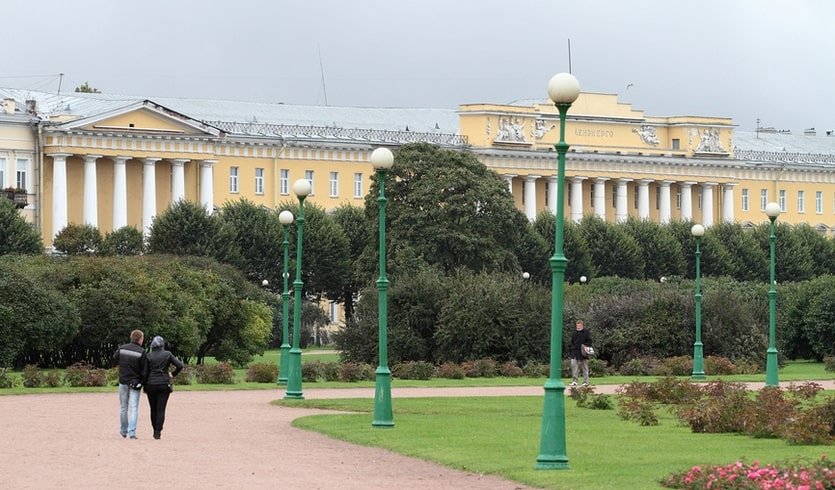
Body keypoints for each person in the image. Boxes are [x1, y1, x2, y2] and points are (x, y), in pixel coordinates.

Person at [143, 336, 184, 440]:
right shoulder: (167, 354)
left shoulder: (148, 356)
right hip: (164, 383)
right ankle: (158, 431)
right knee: (161, 409)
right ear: (162, 345)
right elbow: (180, 365)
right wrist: (172, 374)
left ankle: (154, 429)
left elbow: (145, 372)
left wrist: (144, 385)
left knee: (153, 409)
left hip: (151, 384)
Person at [113, 329, 145, 439]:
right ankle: (132, 432)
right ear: (140, 339)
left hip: (123, 381)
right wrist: (142, 381)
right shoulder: (141, 352)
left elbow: (114, 359)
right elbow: (144, 370)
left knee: (123, 407)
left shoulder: (122, 349)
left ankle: (123, 430)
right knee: (134, 407)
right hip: (135, 383)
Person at [569, 320, 593, 386]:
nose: (578, 327)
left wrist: (584, 346)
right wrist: (572, 348)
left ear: (582, 325)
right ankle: (575, 381)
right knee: (574, 366)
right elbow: (572, 341)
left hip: (583, 352)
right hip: (575, 352)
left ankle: (586, 382)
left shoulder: (586, 332)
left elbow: (590, 341)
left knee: (585, 367)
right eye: (577, 325)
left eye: (579, 325)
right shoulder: (574, 332)